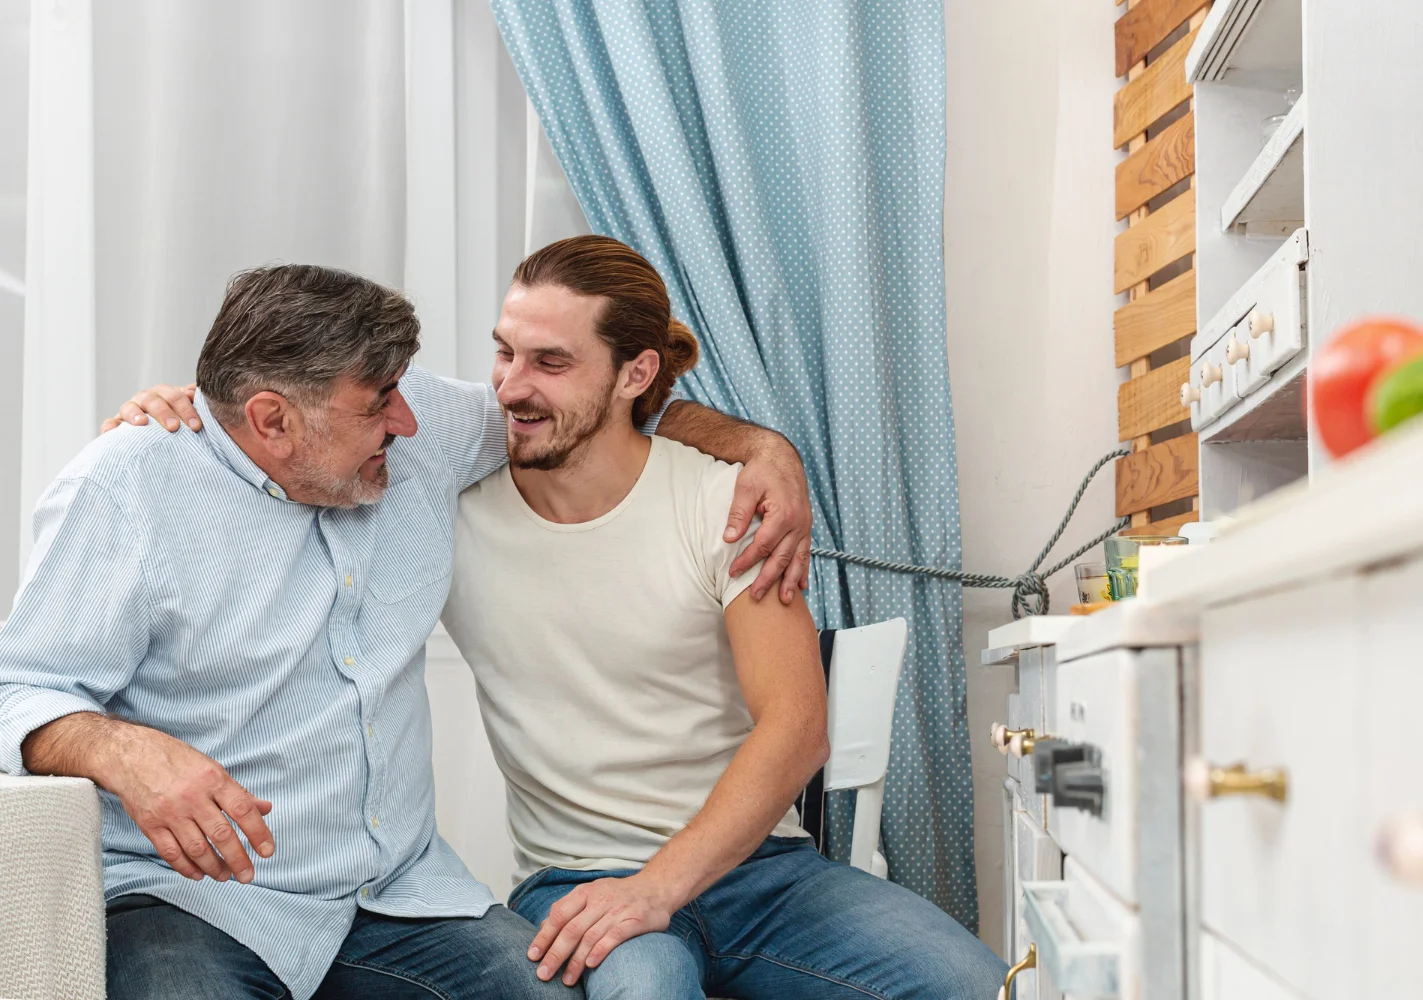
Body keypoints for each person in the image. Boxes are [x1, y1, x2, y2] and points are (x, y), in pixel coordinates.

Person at [0, 263, 813, 1000]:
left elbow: (591, 415)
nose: (411, 420)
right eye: (378, 402)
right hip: (194, 903)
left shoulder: (416, 433)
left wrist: (765, 451)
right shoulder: (126, 488)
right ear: (271, 419)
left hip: (398, 898)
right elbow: (18, 688)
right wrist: (124, 752)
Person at [441, 236, 1010, 999]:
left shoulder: (726, 502)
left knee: (978, 985)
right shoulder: (446, 520)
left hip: (761, 873)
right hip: (578, 876)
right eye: (504, 353)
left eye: (550, 362)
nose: (510, 387)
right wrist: (217, 431)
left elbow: (797, 726)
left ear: (634, 373)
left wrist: (661, 887)